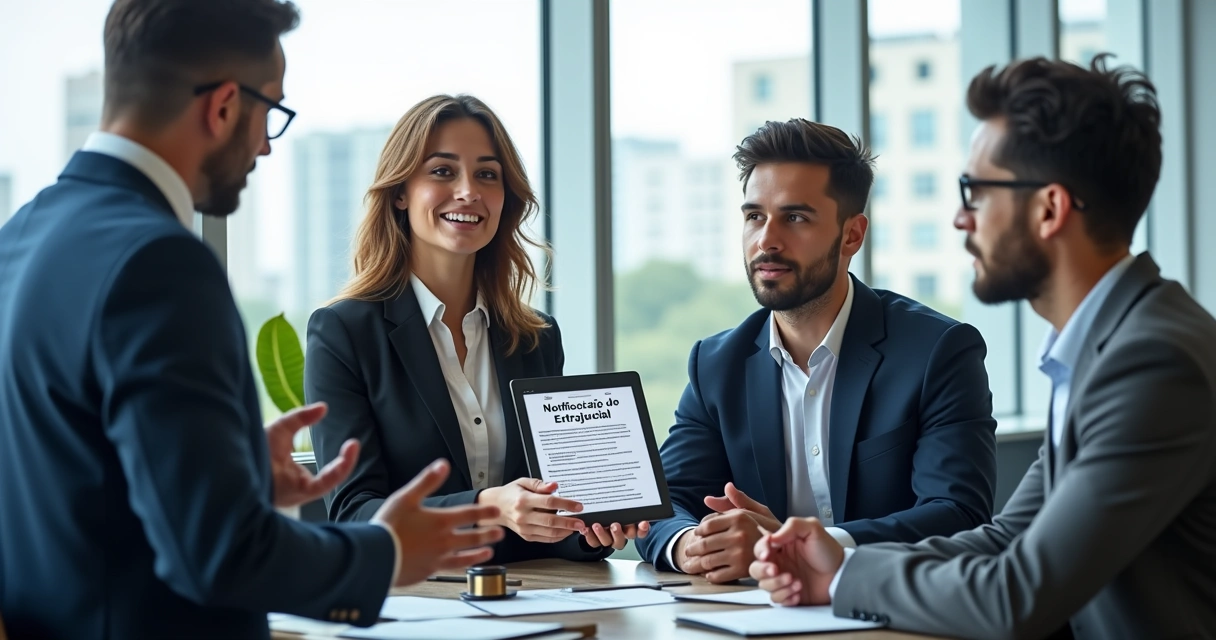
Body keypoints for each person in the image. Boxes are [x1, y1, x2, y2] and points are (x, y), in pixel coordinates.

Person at [0, 2, 505, 638]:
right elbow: (218, 557)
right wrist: (388, 553)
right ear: (223, 108)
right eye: (272, 112)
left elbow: (74, 486)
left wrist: (230, 479)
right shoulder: (159, 261)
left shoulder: (20, 237)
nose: (267, 143)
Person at [749, 55, 1216, 640]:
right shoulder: (1109, 346)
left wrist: (842, 582)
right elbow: (1007, 536)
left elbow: (1015, 596)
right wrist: (841, 564)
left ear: (1049, 208)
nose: (959, 219)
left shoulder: (1152, 363)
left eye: (975, 192)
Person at [635, 118, 999, 583]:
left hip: (890, 614)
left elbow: (958, 513)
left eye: (795, 217)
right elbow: (664, 502)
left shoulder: (937, 351)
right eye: (753, 216)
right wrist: (691, 545)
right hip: (757, 620)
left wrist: (809, 547)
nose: (766, 240)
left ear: (852, 235)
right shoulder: (716, 364)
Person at [305, 94, 647, 563]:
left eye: (487, 174)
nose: (468, 191)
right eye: (443, 171)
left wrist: (588, 527)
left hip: (529, 603)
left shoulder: (537, 336)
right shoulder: (343, 332)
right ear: (401, 191)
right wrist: (487, 506)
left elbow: (541, 518)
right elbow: (353, 514)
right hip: (414, 606)